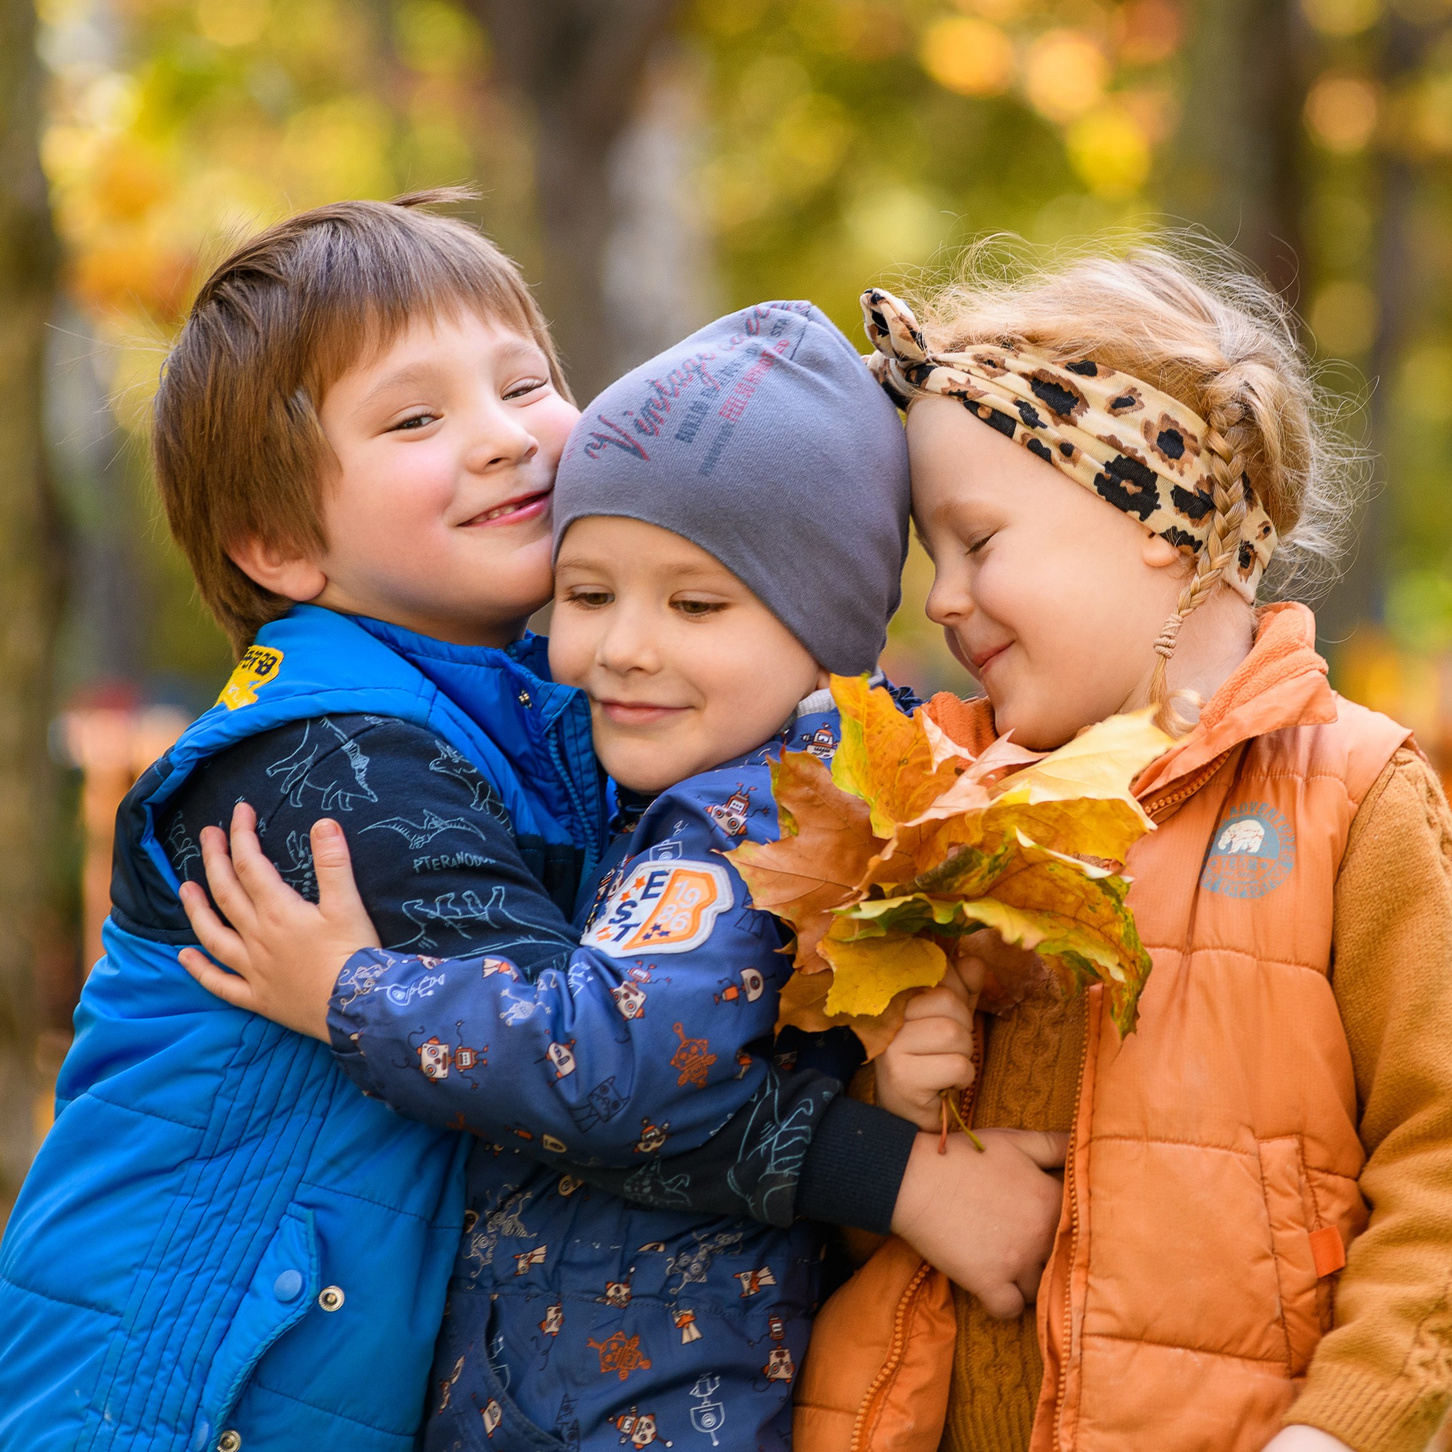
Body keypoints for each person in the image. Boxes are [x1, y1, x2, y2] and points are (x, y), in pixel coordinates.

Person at [0, 188, 1061, 1451]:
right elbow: (587, 1070)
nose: (506, 438)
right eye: (416, 416)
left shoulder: (561, 711)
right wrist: (897, 1178)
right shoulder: (324, 767)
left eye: (523, 383)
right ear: (279, 542)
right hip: (171, 1385)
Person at [793, 256, 1452, 1452]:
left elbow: (1440, 1154)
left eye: (977, 541)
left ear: (1157, 508)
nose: (941, 601)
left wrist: (1351, 1426)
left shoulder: (1352, 797)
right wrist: (887, 1106)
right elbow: (845, 1225)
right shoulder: (938, 816)